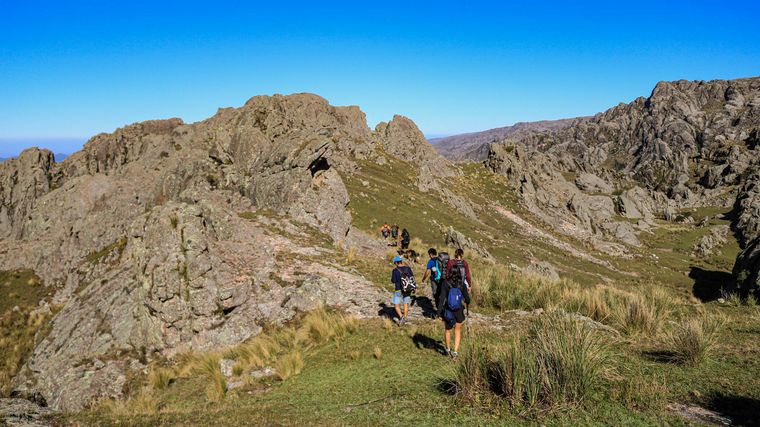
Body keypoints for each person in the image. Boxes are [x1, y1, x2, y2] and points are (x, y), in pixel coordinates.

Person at [437, 248, 472, 358]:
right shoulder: (462, 284)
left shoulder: (446, 283)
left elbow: (442, 298)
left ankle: (447, 349)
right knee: (458, 330)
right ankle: (455, 352)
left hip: (448, 309)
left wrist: (439, 312)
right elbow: (467, 299)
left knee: (448, 330)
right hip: (459, 310)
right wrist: (467, 301)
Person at [391, 255, 415, 325]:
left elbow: (393, 280)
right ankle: (405, 318)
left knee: (396, 305)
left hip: (398, 289)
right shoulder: (408, 269)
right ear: (401, 262)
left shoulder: (395, 271)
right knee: (406, 304)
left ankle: (401, 317)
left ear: (396, 263)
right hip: (407, 289)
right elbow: (412, 278)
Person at [421, 248, 444, 317]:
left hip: (434, 280)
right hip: (442, 279)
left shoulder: (431, 261)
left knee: (436, 294)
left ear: (430, 254)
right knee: (442, 293)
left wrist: (423, 279)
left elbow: (428, 271)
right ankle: (443, 308)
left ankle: (439, 310)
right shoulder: (441, 259)